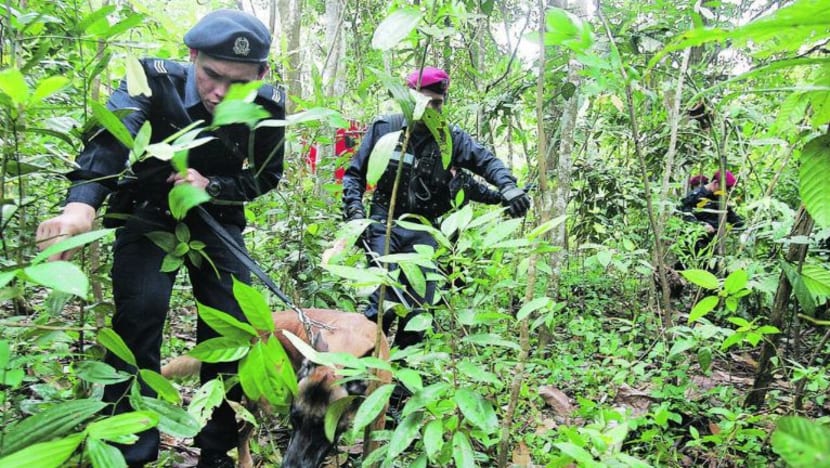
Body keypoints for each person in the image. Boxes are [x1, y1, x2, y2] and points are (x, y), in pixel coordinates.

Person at [35, 10, 285, 468]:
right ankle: (131, 449)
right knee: (140, 317)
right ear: (192, 55)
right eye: (212, 75)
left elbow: (267, 177)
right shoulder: (151, 80)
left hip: (217, 220)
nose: (221, 93)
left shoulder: (268, 105)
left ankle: (219, 450)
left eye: (240, 82)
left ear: (262, 74)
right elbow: (109, 146)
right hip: (147, 214)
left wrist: (213, 186)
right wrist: (80, 207)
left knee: (233, 323)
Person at [341, 66, 529, 350]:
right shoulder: (385, 127)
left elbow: (486, 162)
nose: (429, 109)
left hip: (425, 228)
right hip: (383, 221)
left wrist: (508, 187)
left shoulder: (450, 138)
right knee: (384, 296)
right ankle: (361, 370)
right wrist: (355, 214)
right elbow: (354, 175)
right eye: (422, 101)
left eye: (436, 103)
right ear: (408, 98)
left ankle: (401, 387)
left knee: (419, 305)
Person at [679, 169, 744, 259]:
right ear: (715, 183)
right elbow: (685, 216)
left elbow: (731, 216)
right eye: (724, 188)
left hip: (714, 244)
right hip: (695, 244)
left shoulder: (720, 198)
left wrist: (745, 224)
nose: (725, 192)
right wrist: (702, 226)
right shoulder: (695, 195)